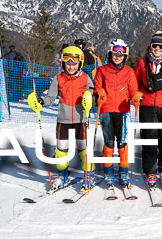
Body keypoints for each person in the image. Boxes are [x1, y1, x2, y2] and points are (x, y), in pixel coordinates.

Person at [32, 45, 95, 191]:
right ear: (63, 63)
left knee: (84, 150)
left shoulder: (85, 78)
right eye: (68, 63)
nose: (71, 66)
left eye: (74, 64)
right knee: (61, 151)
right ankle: (63, 175)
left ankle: (88, 174)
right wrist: (41, 101)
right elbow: (50, 97)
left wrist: (91, 96)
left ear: (80, 63)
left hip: (81, 120)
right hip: (63, 121)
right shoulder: (58, 78)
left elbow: (91, 93)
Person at [134, 31, 162, 190]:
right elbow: (137, 84)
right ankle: (150, 171)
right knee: (149, 139)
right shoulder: (142, 63)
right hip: (147, 106)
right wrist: (136, 97)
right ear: (151, 46)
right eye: (155, 45)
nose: (158, 49)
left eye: (161, 46)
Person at [94, 38, 142, 188]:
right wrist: (99, 92)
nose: (118, 56)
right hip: (106, 110)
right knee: (109, 142)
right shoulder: (102, 70)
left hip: (123, 111)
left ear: (125, 56)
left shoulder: (128, 71)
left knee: (122, 142)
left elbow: (133, 89)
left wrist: (135, 96)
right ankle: (108, 171)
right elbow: (96, 87)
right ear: (110, 54)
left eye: (121, 55)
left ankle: (123, 170)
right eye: (115, 53)